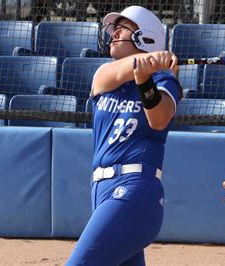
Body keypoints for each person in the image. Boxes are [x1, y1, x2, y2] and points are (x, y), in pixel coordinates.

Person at [67, 5, 181, 265]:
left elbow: (159, 118)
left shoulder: (165, 81)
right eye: (114, 27)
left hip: (136, 190)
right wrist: (140, 66)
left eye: (122, 27)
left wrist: (145, 79)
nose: (114, 32)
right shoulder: (106, 75)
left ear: (145, 37)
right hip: (101, 191)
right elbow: (116, 73)